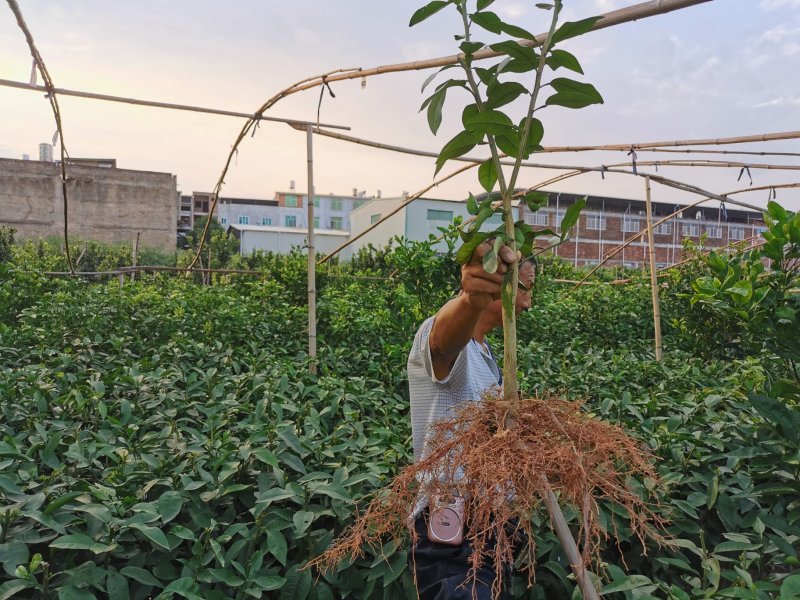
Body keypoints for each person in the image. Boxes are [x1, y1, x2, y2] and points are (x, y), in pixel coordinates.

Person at [407, 241, 537, 600]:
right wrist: (470, 300)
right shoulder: (446, 341)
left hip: (491, 535)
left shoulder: (487, 354)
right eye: (526, 286)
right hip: (454, 541)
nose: (529, 301)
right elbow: (441, 344)